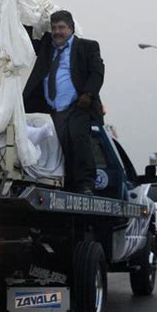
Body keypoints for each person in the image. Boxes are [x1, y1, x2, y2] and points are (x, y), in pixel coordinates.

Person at [23, 10, 105, 195]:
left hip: (78, 105)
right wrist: (23, 15)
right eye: (54, 28)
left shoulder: (87, 47)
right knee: (59, 145)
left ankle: (85, 184)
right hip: (52, 109)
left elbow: (97, 71)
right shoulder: (46, 45)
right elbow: (25, 42)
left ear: (71, 28)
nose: (57, 32)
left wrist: (88, 94)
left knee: (78, 140)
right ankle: (66, 183)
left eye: (61, 27)